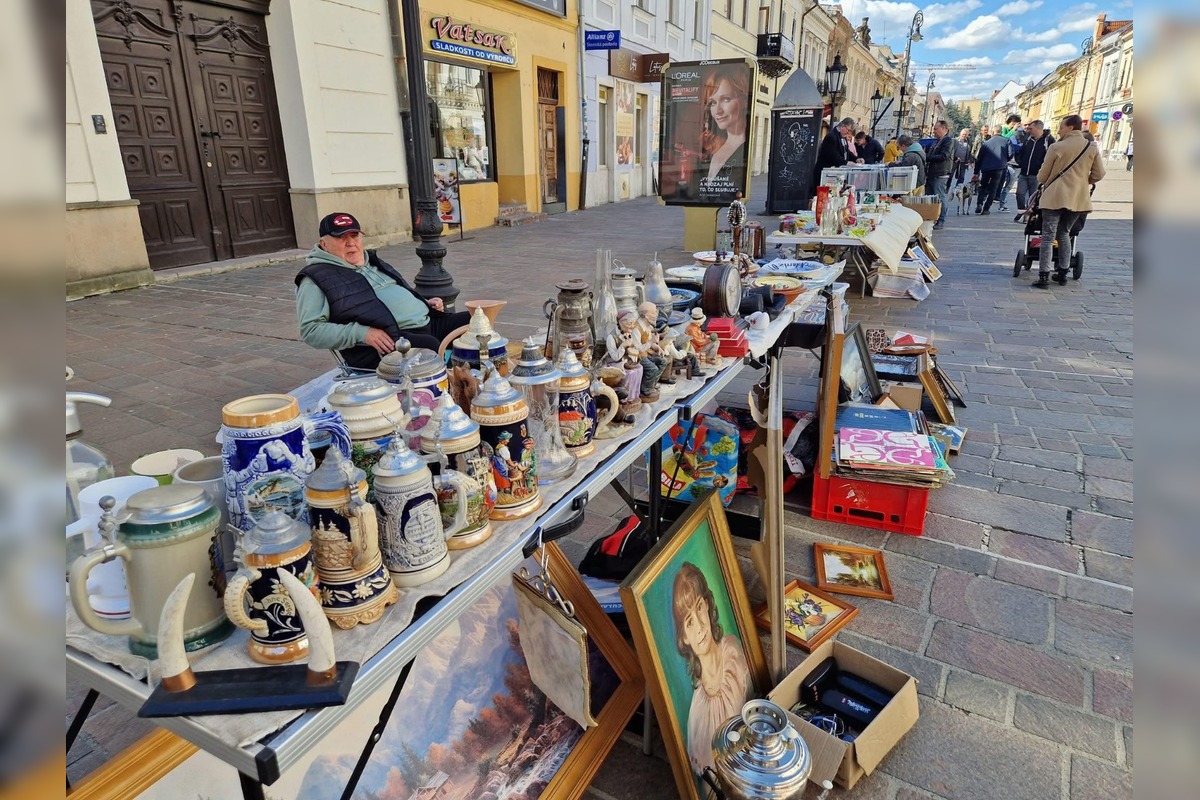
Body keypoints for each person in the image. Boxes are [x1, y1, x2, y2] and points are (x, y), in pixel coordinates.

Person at [295, 213, 471, 370]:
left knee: (473, 322)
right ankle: (445, 394)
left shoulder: (372, 262)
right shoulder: (316, 278)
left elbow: (397, 293)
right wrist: (362, 333)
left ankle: (475, 380)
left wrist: (424, 303)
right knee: (428, 347)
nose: (351, 244)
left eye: (354, 235)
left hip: (427, 324)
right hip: (386, 343)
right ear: (324, 244)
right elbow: (311, 330)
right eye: (341, 238)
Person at [672, 561, 752, 781]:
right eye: (689, 622)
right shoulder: (698, 712)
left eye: (698, 607)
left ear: (707, 605)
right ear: (684, 637)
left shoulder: (734, 653)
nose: (699, 626)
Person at [1033, 114, 1106, 288]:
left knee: (1048, 237)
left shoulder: (1056, 147)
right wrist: (1082, 182)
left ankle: (1044, 276)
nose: (1059, 130)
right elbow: (1099, 174)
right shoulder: (1091, 147)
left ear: (1070, 127)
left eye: (1061, 127)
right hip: (1078, 199)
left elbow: (1043, 176)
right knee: (1064, 233)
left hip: (1054, 197)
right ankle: (1063, 273)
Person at [700, 66, 749, 184]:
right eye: (713, 102)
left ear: (744, 101)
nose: (717, 111)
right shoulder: (718, 145)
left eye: (726, 99)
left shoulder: (744, 148)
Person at [1013, 120, 1053, 219]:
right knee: (1019, 194)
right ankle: (1022, 211)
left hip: (1037, 174)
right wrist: (1021, 162)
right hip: (1024, 172)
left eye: (1031, 129)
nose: (1028, 130)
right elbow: (1020, 153)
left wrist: (1043, 169)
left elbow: (1051, 157)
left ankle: (1032, 216)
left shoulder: (1048, 141)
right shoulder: (1028, 139)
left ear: (1039, 128)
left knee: (1034, 197)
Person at [925, 120, 955, 230]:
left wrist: (927, 158)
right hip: (932, 173)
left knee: (940, 196)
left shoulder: (948, 141)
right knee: (929, 197)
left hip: (940, 173)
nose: (934, 131)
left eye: (936, 129)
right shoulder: (936, 141)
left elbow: (944, 156)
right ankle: (931, 217)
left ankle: (941, 220)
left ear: (943, 128)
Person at [974, 130, 1012, 215]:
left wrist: (976, 172)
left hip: (986, 168)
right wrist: (1004, 160)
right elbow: (1010, 154)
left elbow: (979, 158)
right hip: (999, 168)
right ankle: (986, 209)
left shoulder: (986, 143)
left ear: (993, 132)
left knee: (983, 187)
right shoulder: (1006, 141)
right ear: (1001, 132)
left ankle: (979, 204)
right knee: (993, 189)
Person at [814, 118, 858, 184]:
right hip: (826, 172)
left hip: (836, 173)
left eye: (850, 131)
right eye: (848, 130)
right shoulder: (831, 136)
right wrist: (846, 163)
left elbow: (846, 151)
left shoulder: (843, 137)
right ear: (842, 126)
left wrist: (856, 159)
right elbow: (833, 155)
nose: (848, 133)